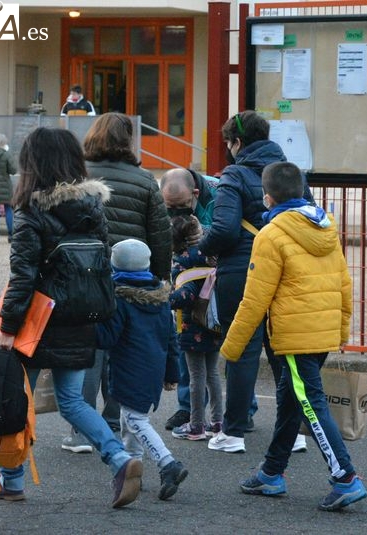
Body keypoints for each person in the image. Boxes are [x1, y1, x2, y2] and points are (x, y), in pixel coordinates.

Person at [0, 126, 143, 508]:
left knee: (16, 399)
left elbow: (23, 277)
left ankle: (11, 479)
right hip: (80, 315)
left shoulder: (32, 211)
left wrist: (8, 328)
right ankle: (119, 458)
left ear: (34, 163)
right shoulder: (93, 206)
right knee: (72, 400)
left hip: (37, 322)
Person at [221, 161, 367, 511]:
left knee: (311, 405)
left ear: (267, 197)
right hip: (322, 331)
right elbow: (344, 283)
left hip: (295, 336)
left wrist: (232, 347)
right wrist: (341, 330)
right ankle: (271, 472)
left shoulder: (270, 235)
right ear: (302, 191)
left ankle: (345, 477)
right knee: (290, 400)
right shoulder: (326, 227)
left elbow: (255, 299)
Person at [60, 112, 171, 453]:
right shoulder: (145, 180)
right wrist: (160, 277)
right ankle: (111, 420)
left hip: (87, 275)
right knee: (123, 349)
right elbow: (160, 234)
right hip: (130, 276)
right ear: (128, 141)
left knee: (91, 349)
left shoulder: (78, 176)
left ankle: (82, 430)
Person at [197, 110, 288, 454]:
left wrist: (201, 249)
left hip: (242, 269)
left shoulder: (235, 174)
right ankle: (292, 431)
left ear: (236, 142)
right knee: (282, 351)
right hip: (284, 270)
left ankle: (234, 432)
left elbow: (224, 230)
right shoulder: (288, 172)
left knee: (242, 349)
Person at [96, 239, 188, 500]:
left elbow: (107, 338)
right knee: (129, 420)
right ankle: (132, 470)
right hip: (153, 369)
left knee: (136, 420)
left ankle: (168, 463)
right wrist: (172, 374)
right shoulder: (160, 298)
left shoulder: (120, 299)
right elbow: (171, 339)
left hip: (129, 369)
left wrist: (93, 322)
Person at [159, 167, 218, 430]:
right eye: (169, 208)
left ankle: (240, 411)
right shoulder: (163, 198)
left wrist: (203, 232)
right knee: (190, 351)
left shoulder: (219, 193)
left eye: (181, 207)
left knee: (225, 356)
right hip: (187, 277)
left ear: (195, 193)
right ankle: (188, 410)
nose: (175, 214)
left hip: (216, 282)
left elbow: (230, 230)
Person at [169, 215, 223, 441]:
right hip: (214, 322)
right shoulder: (212, 255)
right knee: (213, 374)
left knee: (196, 377)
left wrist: (166, 298)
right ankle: (218, 422)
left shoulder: (183, 261)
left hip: (192, 326)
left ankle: (196, 425)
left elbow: (185, 295)